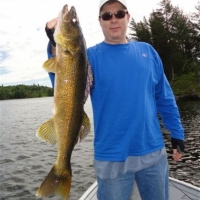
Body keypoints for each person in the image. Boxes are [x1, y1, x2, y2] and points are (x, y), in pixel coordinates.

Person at [45, 0, 185, 199]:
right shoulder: (89, 57)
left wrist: (177, 132)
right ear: (100, 21)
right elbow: (62, 81)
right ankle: (61, 171)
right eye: (107, 15)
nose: (113, 19)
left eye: (119, 13)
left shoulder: (148, 52)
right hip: (111, 157)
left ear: (128, 17)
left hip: (152, 153)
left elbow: (164, 97)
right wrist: (53, 43)